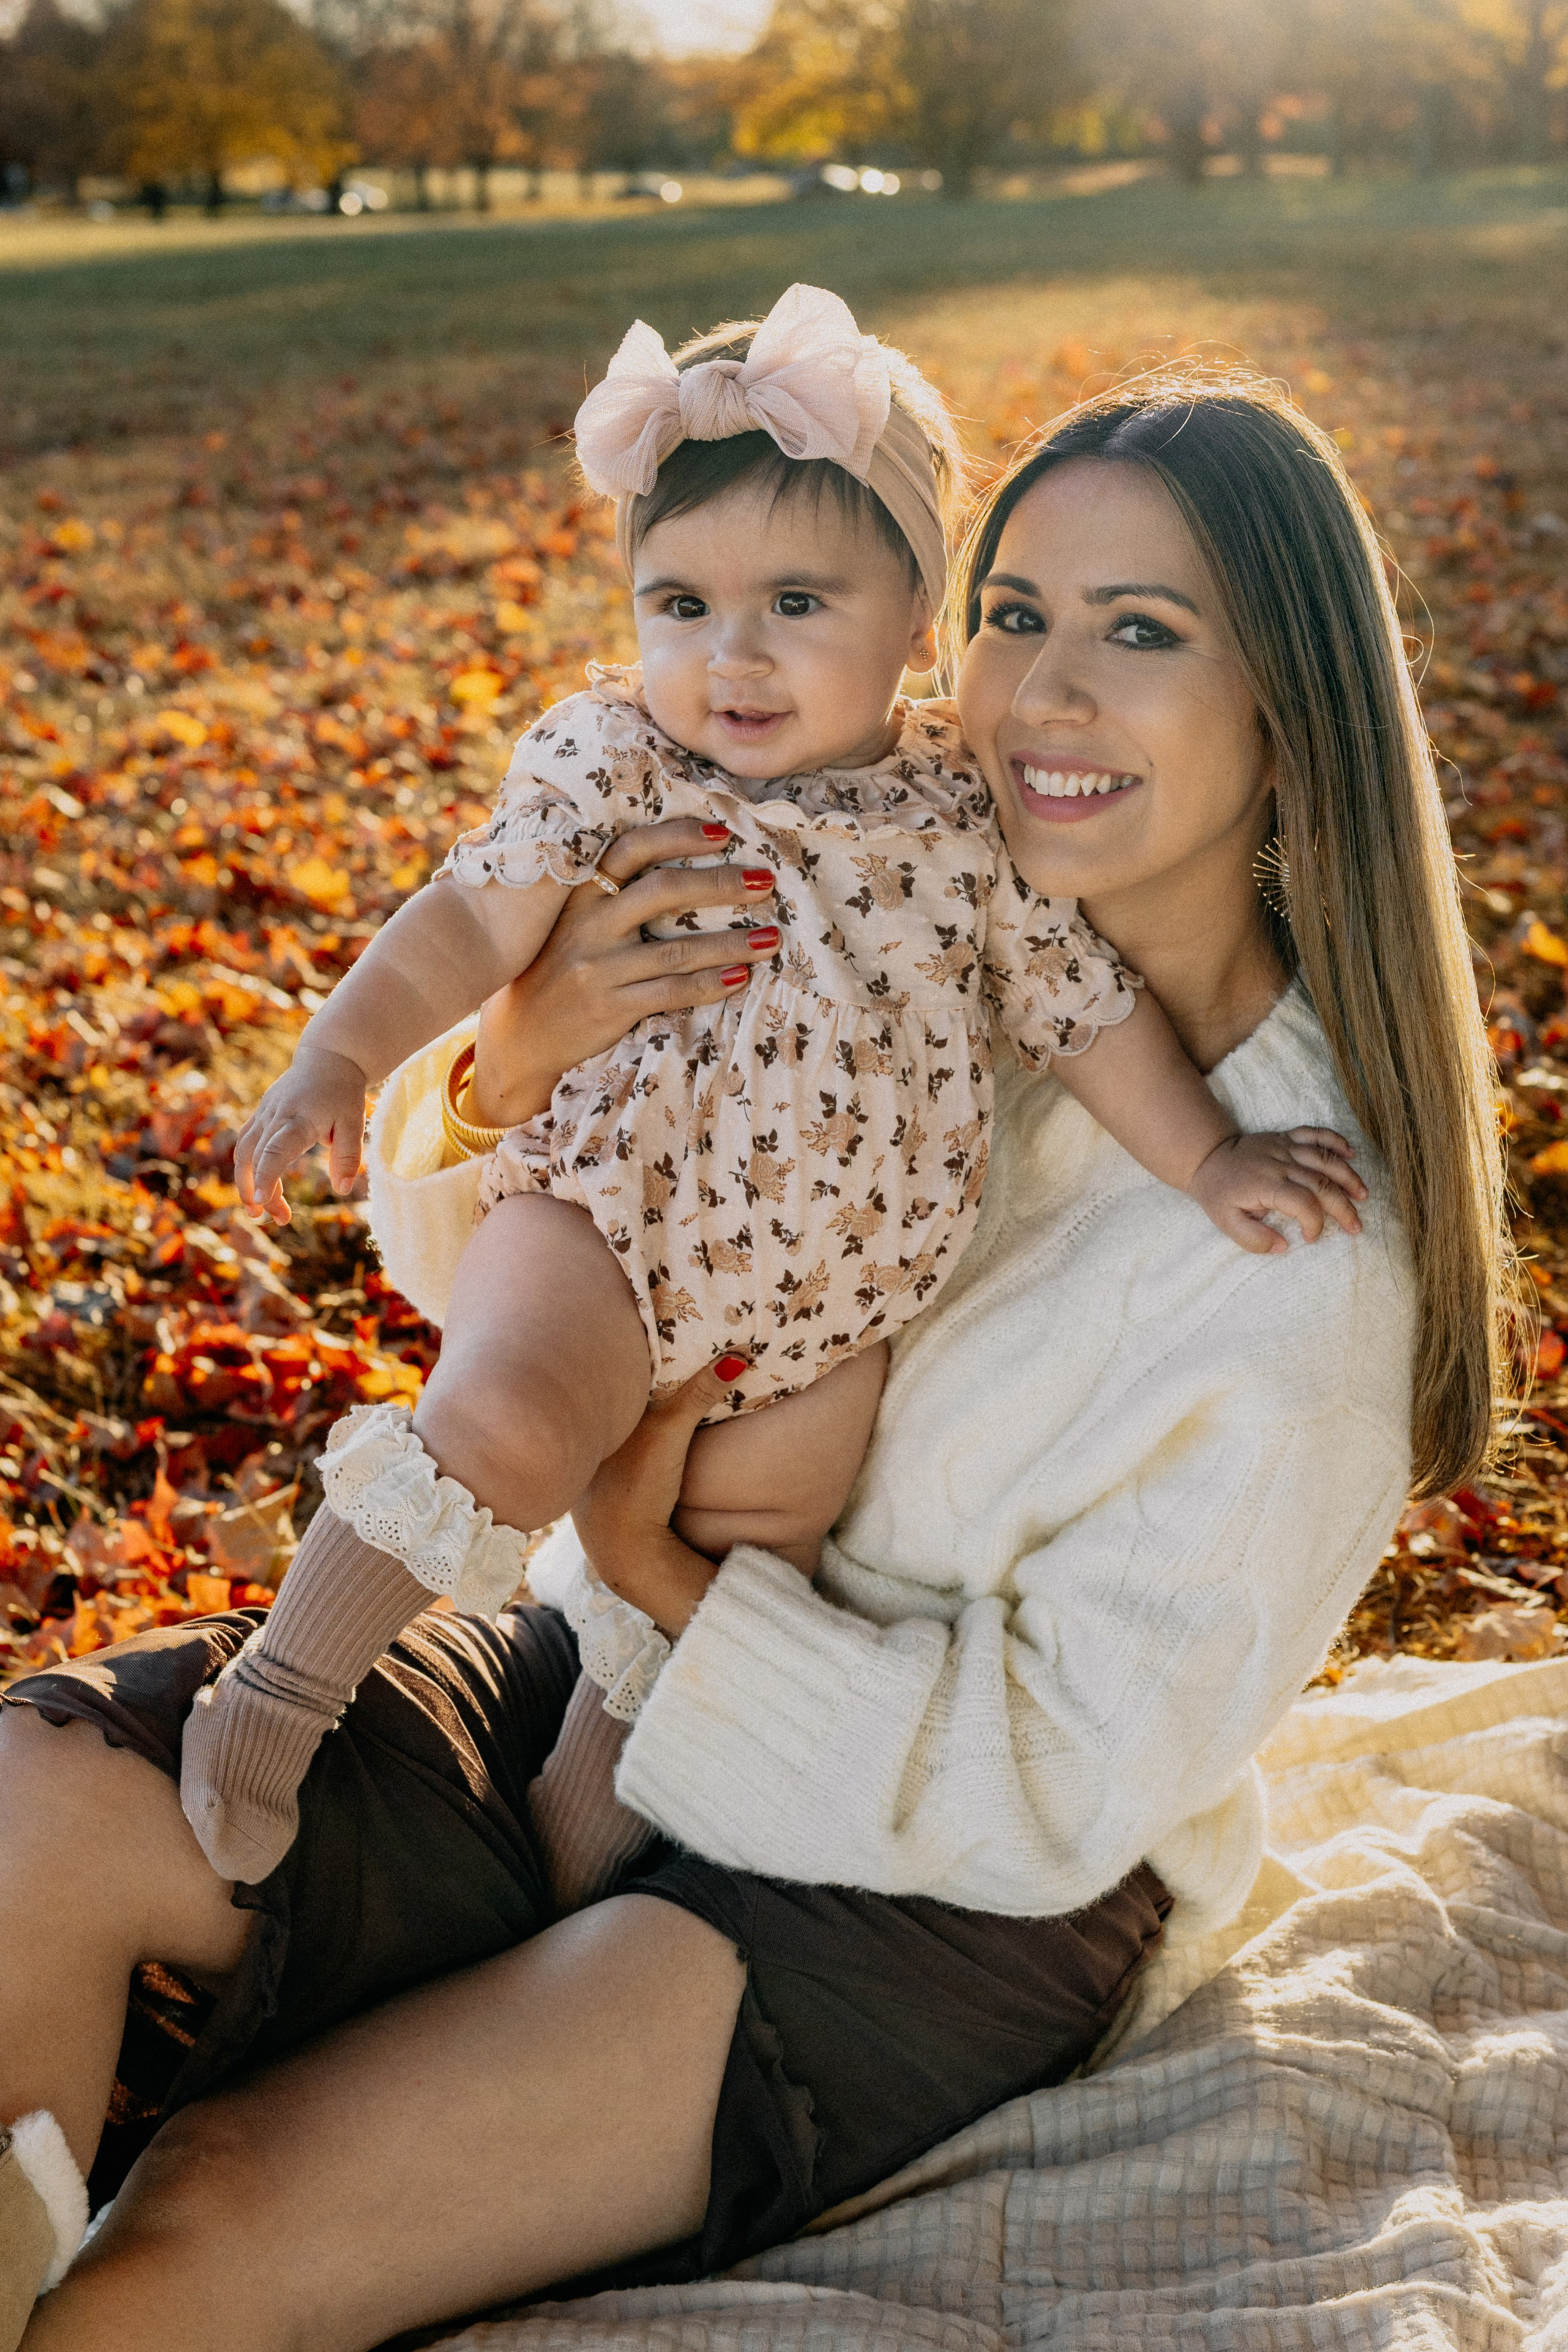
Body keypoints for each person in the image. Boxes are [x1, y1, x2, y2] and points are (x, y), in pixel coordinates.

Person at [0, 366, 1509, 2352]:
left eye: (1140, 634)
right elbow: (559, 1285)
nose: (1041, 693)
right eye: (1016, 614)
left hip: (927, 1880)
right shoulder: (861, 878)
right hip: (592, 1654)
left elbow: (1054, 1781)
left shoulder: (1288, 1243)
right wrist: (511, 1066)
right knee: (38, 1801)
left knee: (204, 2228)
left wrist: (664, 1580)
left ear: (1287, 708)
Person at [176, 285, 1359, 1901]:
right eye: (678, 604)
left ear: (914, 619)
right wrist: (349, 1056)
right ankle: (281, 1693)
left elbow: (1088, 1021)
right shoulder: (619, 770)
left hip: (832, 1312)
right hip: (613, 1223)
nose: (726, 655)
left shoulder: (962, 822)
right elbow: (466, 915)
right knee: (511, 1421)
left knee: (737, 1574)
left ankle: (576, 1861)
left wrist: (1212, 1160)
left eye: (796, 601)